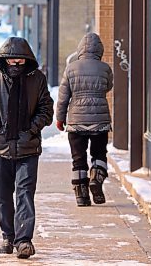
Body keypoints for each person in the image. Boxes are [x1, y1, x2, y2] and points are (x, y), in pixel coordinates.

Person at [0, 36, 53, 259]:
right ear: (5, 61)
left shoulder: (37, 79)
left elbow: (47, 108)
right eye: (12, 61)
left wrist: (32, 129)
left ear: (26, 60)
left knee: (25, 194)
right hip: (0, 148)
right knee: (2, 196)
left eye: (20, 61)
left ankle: (24, 240)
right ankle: (8, 236)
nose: (16, 65)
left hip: (28, 148)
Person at [56, 32, 113, 207]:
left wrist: (60, 118)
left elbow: (63, 96)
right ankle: (96, 176)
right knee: (99, 153)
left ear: (80, 49)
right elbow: (109, 86)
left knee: (78, 158)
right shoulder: (105, 68)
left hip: (76, 121)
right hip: (100, 120)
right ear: (99, 49)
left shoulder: (71, 68)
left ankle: (81, 196)